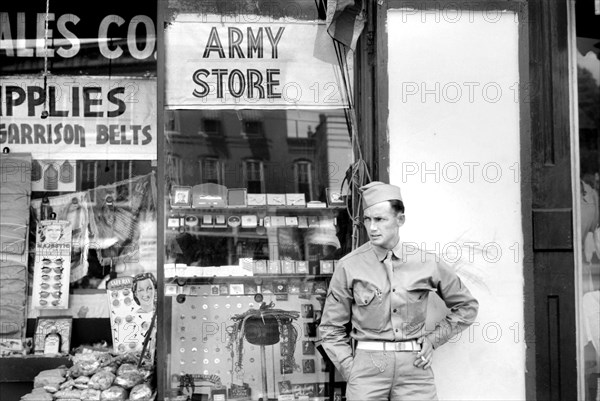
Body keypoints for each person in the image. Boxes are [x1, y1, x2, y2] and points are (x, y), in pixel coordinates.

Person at [319, 181, 479, 400]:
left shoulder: (427, 262)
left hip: (415, 368)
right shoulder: (349, 266)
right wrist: (351, 368)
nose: (372, 228)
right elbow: (330, 328)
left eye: (380, 219)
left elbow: (466, 307)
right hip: (367, 368)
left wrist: (433, 340)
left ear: (400, 219)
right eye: (368, 220)